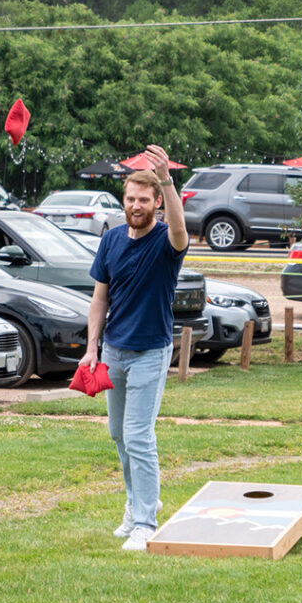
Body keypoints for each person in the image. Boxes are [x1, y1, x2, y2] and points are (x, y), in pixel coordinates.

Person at [79, 144, 189, 551]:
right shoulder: (110, 241)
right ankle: (136, 502)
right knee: (118, 435)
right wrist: (92, 348)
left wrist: (167, 179)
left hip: (150, 351)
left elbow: (180, 232)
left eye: (144, 200)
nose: (136, 205)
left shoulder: (165, 242)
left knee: (139, 436)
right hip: (114, 352)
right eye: (131, 199)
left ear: (157, 203)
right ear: (123, 202)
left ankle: (145, 522)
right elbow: (99, 300)